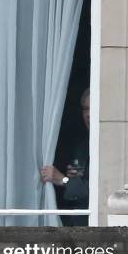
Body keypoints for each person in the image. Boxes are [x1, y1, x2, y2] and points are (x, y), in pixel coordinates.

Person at [40, 88, 90, 226]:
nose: (89, 114)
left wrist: (63, 179)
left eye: (93, 108)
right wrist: (71, 181)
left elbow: (98, 190)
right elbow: (77, 184)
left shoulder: (108, 147)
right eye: (85, 109)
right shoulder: (82, 146)